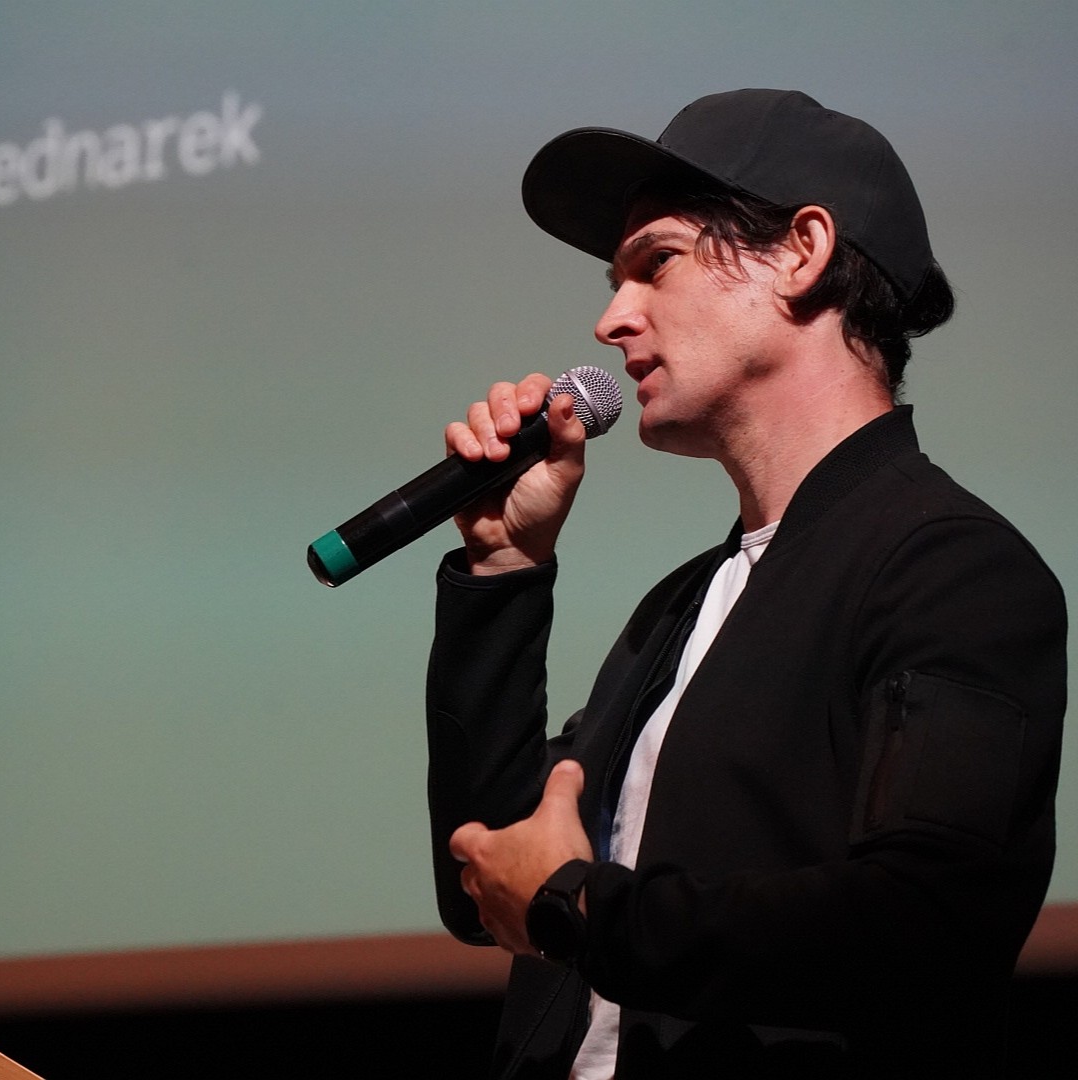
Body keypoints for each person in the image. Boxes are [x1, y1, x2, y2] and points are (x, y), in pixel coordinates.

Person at [426, 89, 1066, 1079]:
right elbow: (490, 876)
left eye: (656, 263)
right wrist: (505, 569)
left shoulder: (950, 568)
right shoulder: (682, 606)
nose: (610, 319)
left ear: (803, 252)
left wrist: (582, 909)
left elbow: (922, 926)